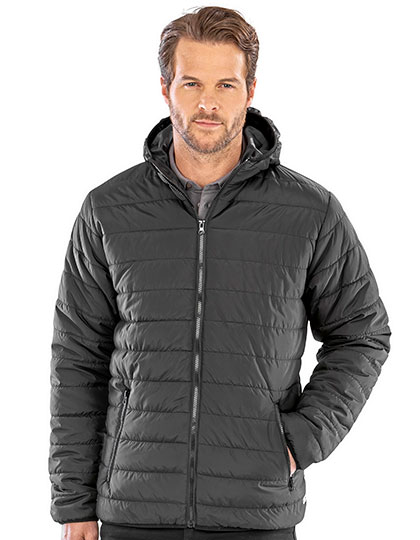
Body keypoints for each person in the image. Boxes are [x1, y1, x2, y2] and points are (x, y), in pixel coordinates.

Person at [48, 6, 391, 540]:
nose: (207, 103)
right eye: (192, 83)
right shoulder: (109, 210)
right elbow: (77, 360)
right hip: (134, 511)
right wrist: (74, 505)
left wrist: (303, 437)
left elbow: (363, 334)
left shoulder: (310, 213)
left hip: (255, 511)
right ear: (166, 89)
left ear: (250, 91)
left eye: (225, 85)